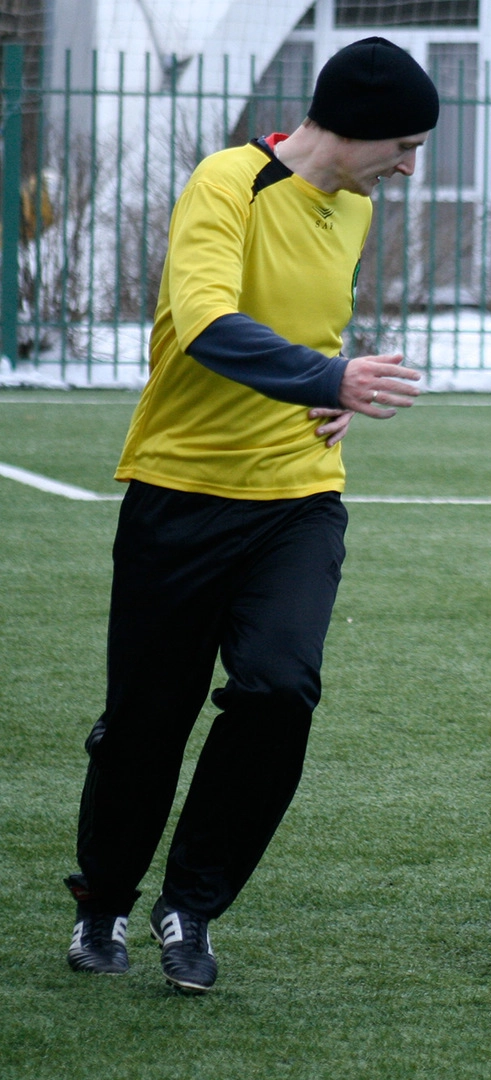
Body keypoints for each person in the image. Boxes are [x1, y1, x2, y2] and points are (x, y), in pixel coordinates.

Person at [63, 36, 437, 993]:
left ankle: (191, 905)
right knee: (146, 725)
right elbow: (207, 324)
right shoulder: (227, 182)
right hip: (180, 493)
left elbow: (314, 336)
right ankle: (103, 899)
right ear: (353, 127)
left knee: (279, 690)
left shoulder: (353, 210)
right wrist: (328, 376)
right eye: (403, 145)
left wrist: (331, 393)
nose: (408, 167)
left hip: (296, 501)